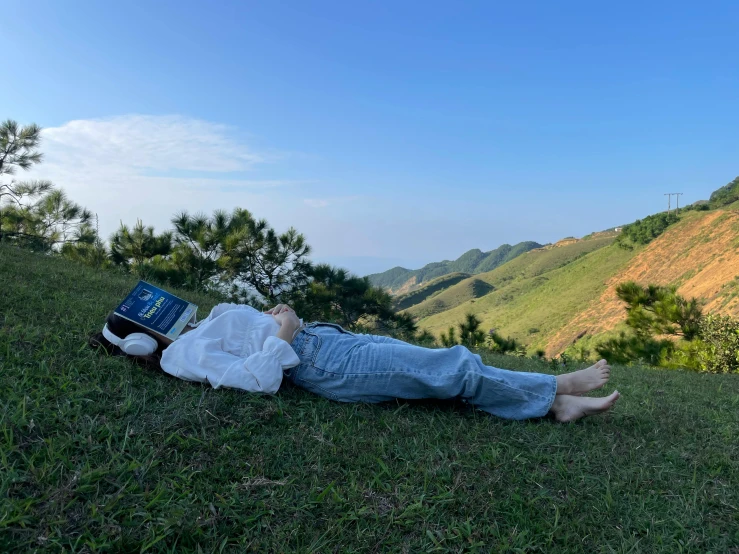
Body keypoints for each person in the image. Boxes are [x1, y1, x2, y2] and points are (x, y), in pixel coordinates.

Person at [90, 302, 620, 422]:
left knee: (448, 362)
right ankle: (556, 398)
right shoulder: (183, 355)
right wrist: (286, 331)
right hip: (326, 367)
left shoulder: (198, 328)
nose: (160, 307)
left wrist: (274, 319)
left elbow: (251, 339)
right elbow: (258, 379)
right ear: (142, 344)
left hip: (333, 342)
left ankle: (553, 392)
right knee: (450, 370)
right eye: (146, 313)